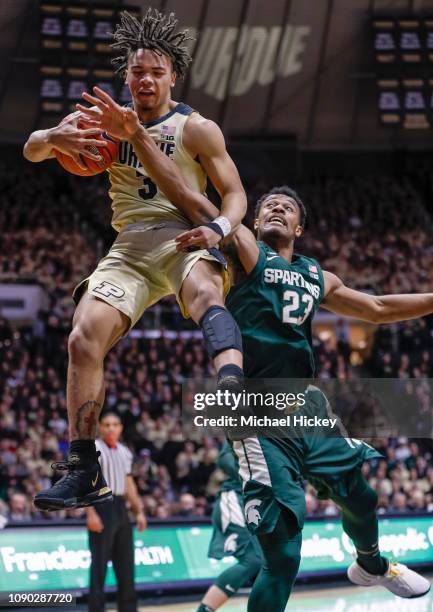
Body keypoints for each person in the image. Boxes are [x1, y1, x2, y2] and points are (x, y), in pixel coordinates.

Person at [23, 8, 247, 511]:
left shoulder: (197, 128)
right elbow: (31, 149)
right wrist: (54, 139)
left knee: (207, 293)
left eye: (156, 71)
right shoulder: (103, 120)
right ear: (126, 76)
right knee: (82, 337)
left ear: (173, 77)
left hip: (182, 233)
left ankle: (231, 384)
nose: (145, 79)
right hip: (128, 247)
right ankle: (83, 467)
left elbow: (235, 195)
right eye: (137, 71)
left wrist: (217, 228)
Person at [86, 411, 146, 612]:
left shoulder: (125, 451)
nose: (111, 428)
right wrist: (91, 513)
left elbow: (129, 483)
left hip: (121, 507)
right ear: (100, 428)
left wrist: (139, 511)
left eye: (115, 424)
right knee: (99, 566)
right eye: (106, 424)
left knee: (126, 566)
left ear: (120, 428)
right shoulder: (93, 448)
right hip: (101, 506)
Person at [196, 442, 262, 612]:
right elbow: (224, 459)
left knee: (269, 562)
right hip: (235, 498)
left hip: (256, 503)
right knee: (253, 559)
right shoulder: (250, 423)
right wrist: (253, 477)